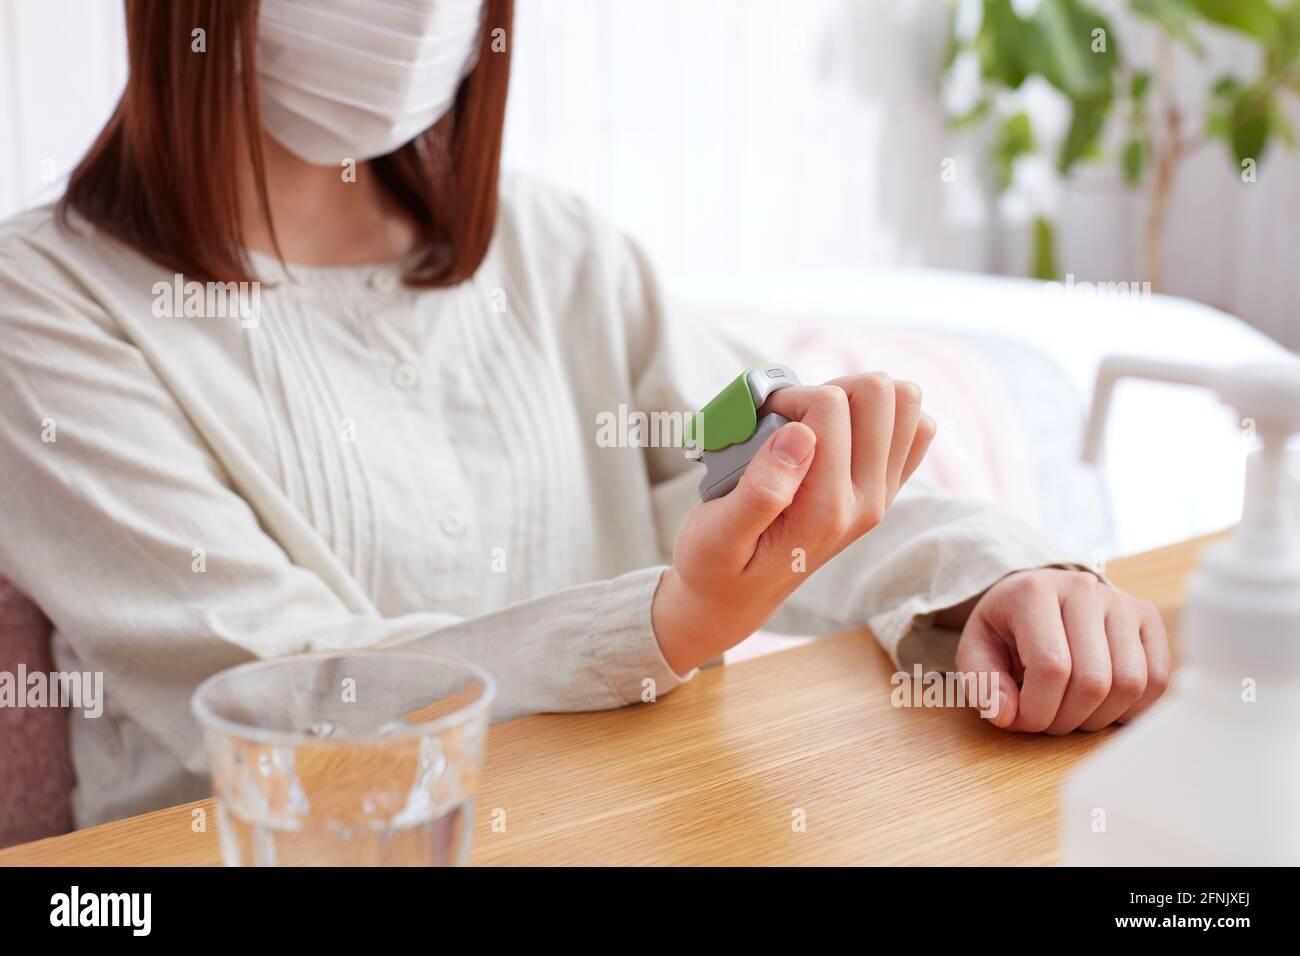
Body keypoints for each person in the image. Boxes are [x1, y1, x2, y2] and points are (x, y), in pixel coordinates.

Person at [0, 0, 1168, 829]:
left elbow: (757, 447)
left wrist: (999, 578)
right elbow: (273, 692)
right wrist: (663, 621)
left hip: (616, 822)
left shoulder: (553, 248)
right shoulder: (43, 304)